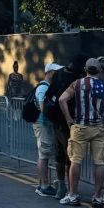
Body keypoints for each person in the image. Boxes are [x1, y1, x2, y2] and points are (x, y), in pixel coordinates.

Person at [58, 58, 104, 207]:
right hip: (99, 128)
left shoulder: (77, 84)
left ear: (85, 69)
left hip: (80, 126)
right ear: (100, 71)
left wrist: (69, 119)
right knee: (99, 162)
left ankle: (73, 194)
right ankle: (98, 197)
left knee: (76, 161)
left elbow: (62, 99)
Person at [42, 53, 85, 199]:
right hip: (69, 120)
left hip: (57, 120)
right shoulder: (77, 78)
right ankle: (70, 189)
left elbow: (50, 94)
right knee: (70, 156)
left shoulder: (59, 74)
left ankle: (62, 186)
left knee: (61, 155)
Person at [31, 63, 62, 197]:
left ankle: (42, 184)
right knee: (44, 154)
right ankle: (44, 185)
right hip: (43, 124)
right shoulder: (43, 88)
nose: (58, 75)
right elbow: (43, 108)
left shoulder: (46, 86)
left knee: (44, 153)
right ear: (50, 72)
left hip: (43, 124)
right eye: (56, 72)